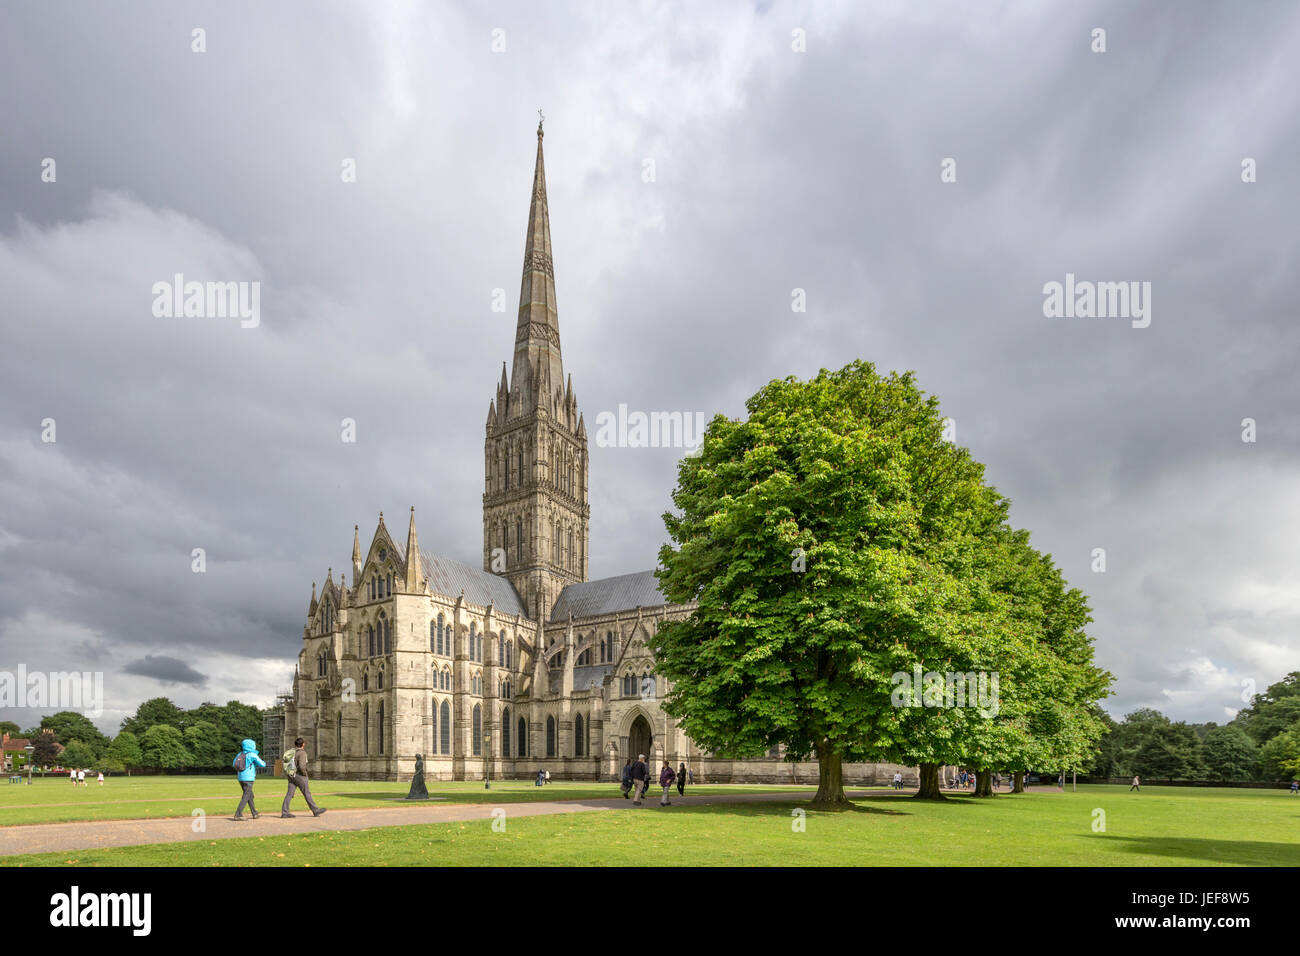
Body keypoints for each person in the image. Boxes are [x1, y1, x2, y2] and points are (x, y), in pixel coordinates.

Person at [281, 737, 327, 818]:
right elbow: (302, 766)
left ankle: (285, 812)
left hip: (290, 775)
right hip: (299, 776)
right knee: (307, 793)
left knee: (289, 794)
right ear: (303, 744)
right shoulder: (302, 753)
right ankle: (315, 810)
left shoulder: (291, 752)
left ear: (295, 744)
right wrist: (305, 774)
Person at [232, 738, 267, 820]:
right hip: (249, 778)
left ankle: (254, 813)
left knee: (249, 795)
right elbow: (262, 764)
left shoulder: (240, 754)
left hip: (240, 777)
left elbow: (234, 763)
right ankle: (238, 814)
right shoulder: (252, 754)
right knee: (246, 796)